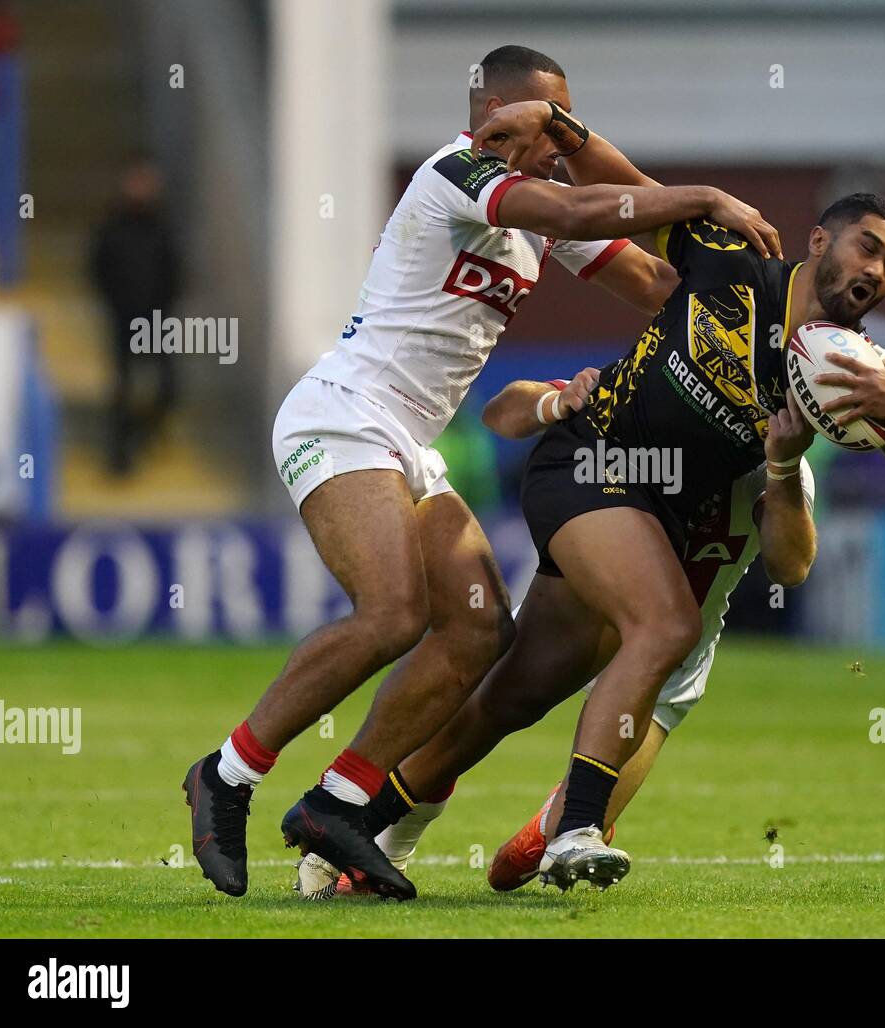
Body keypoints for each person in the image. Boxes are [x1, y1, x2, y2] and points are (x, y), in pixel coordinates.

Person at [182, 44, 782, 900]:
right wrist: (706, 196)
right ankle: (227, 776)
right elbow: (576, 213)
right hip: (342, 413)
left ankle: (339, 801)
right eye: (550, 128)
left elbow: (654, 281)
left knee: (479, 633)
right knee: (393, 613)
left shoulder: (536, 211)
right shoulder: (458, 170)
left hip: (409, 443)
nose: (561, 150)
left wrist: (745, 303)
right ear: (500, 114)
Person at [297, 191, 885, 895]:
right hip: (591, 466)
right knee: (663, 626)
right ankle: (573, 828)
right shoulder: (732, 265)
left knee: (510, 697)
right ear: (821, 243)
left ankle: (350, 829)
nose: (880, 270)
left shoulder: (850, 382)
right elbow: (612, 202)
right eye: (869, 247)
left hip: (653, 536)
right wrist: (673, 188)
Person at [88, 158, 181, 474]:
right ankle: (119, 457)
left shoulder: (162, 228)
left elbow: (174, 272)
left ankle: (143, 436)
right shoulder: (112, 227)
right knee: (124, 389)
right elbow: (98, 269)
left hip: (157, 322)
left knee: (168, 389)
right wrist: (116, 305)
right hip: (123, 319)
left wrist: (164, 308)